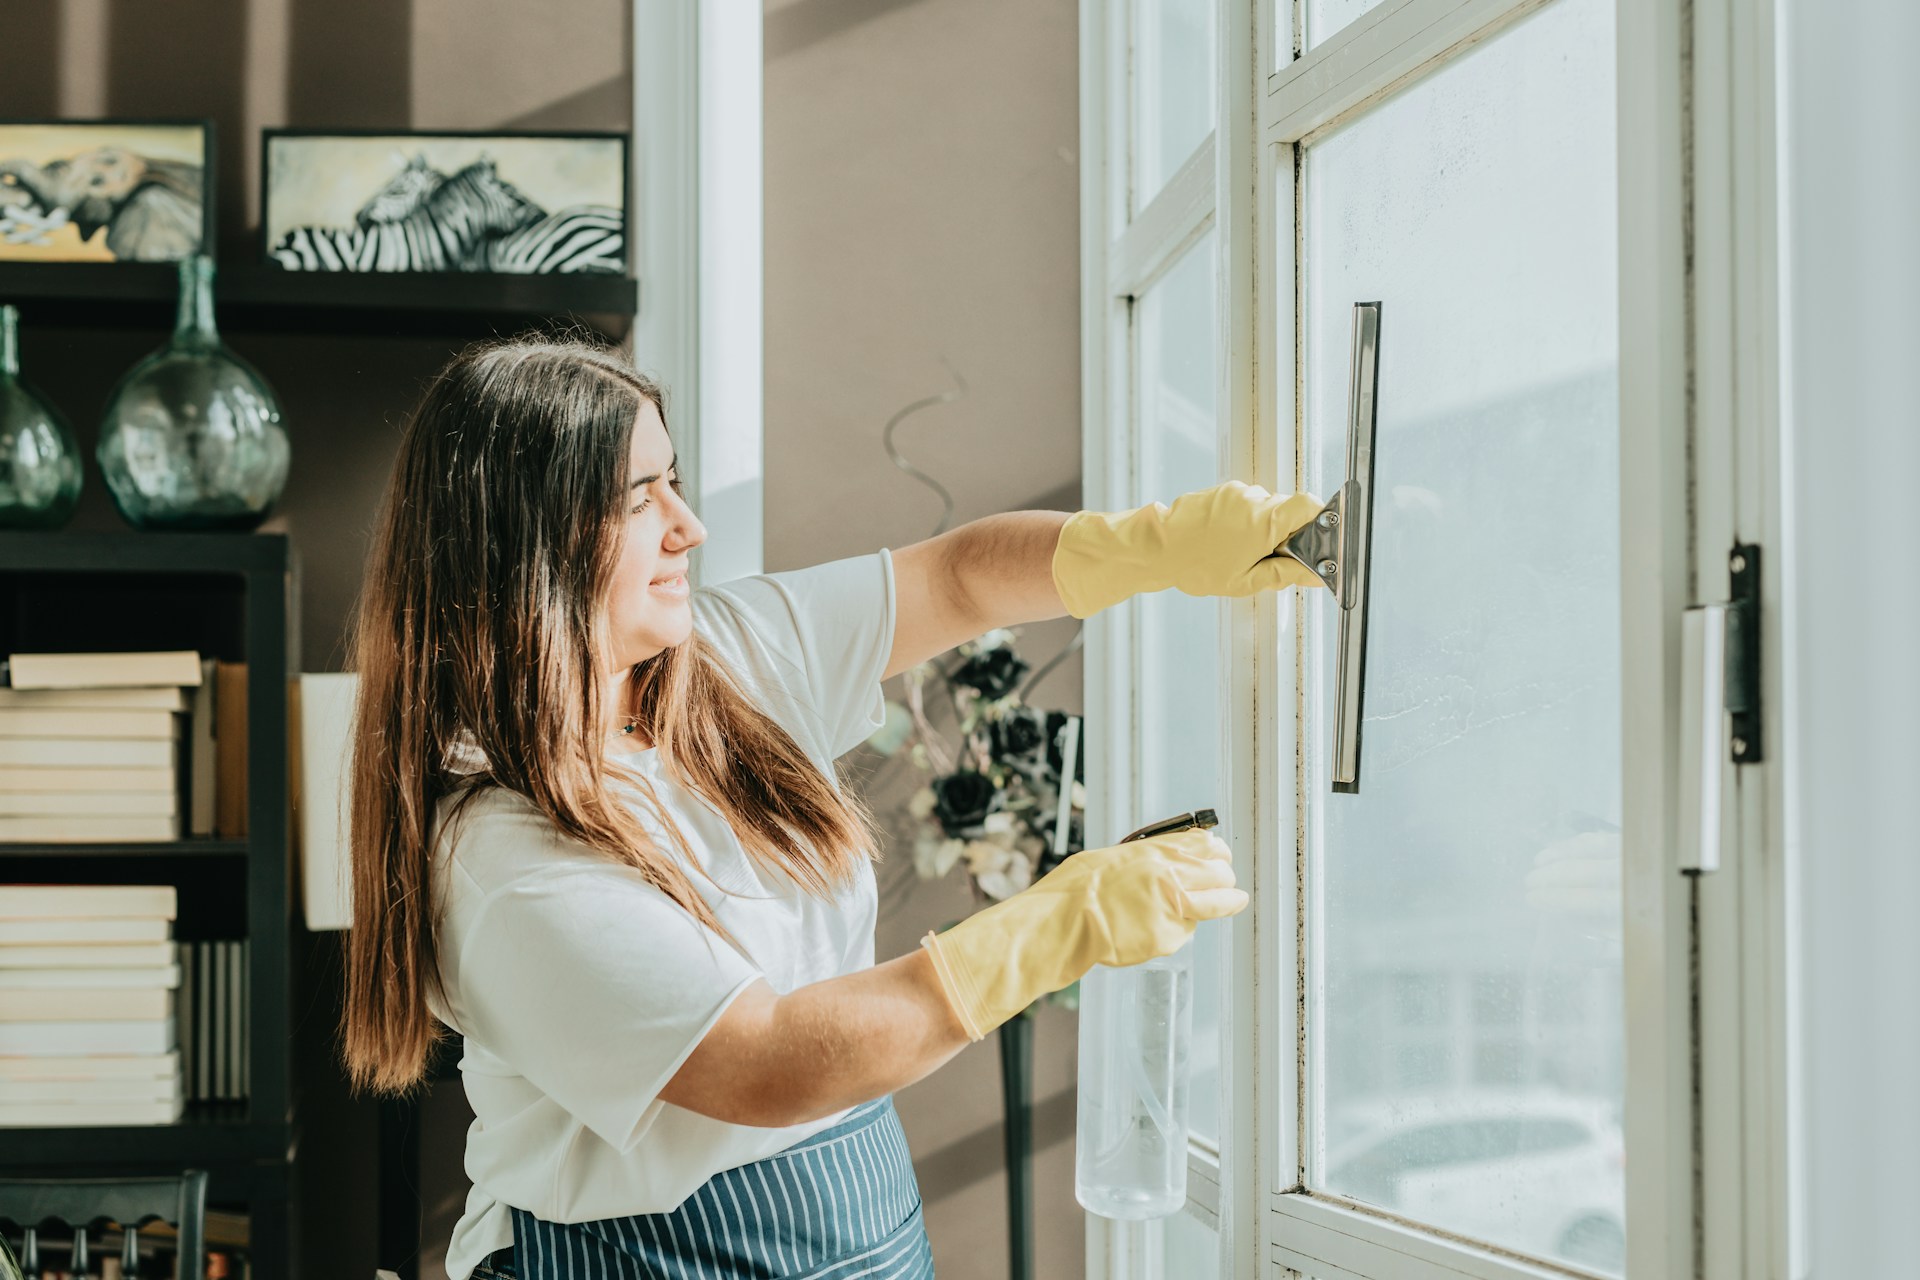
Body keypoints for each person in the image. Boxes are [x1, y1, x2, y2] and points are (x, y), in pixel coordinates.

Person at [340, 338, 1326, 1280]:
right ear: (529, 542)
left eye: (674, 481)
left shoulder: (721, 654)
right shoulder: (500, 859)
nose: (689, 526)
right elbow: (762, 1062)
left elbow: (953, 575)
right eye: (642, 499)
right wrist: (1053, 926)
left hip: (857, 1217)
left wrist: (1148, 546)